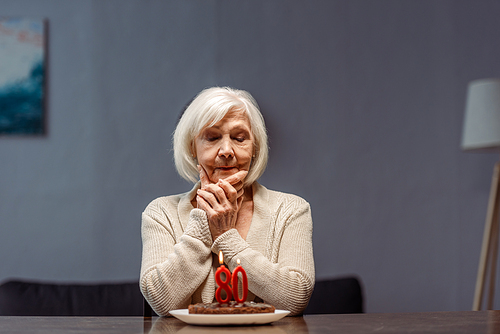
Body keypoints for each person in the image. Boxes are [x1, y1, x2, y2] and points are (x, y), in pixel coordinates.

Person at [140, 87, 315, 316]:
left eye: (239, 138)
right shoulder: (160, 213)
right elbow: (161, 301)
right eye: (212, 138)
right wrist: (204, 220)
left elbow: (296, 297)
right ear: (193, 147)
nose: (226, 151)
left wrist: (226, 237)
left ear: (254, 148)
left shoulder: (291, 210)